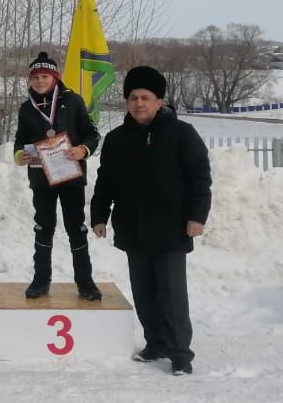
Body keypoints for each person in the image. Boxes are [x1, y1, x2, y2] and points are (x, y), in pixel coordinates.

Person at [90, 65, 212, 376]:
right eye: (133, 98)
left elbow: (199, 177)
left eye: (145, 97)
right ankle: (155, 342)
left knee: (171, 294)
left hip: (171, 227)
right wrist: (99, 215)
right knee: (144, 292)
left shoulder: (181, 133)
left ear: (159, 101)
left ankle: (180, 353)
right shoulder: (116, 139)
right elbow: (106, 181)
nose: (139, 103)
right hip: (134, 228)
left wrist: (197, 217)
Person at [12, 51, 101, 301]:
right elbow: (20, 140)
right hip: (42, 177)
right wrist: (19, 154)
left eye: (45, 76)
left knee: (76, 228)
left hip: (70, 176)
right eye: (35, 77)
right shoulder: (26, 107)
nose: (40, 81)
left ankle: (85, 282)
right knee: (43, 227)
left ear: (55, 77)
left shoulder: (73, 101)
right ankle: (41, 280)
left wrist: (83, 150)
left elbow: (92, 134)